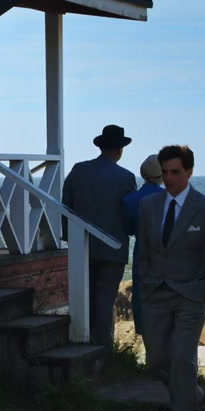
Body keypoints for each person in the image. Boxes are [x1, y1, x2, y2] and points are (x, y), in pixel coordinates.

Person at [134, 145, 205, 411]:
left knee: (183, 358)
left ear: (189, 172)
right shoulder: (148, 206)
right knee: (156, 361)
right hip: (155, 293)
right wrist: (145, 283)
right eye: (165, 172)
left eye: (175, 172)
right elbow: (143, 251)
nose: (169, 178)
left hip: (191, 295)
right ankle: (192, 395)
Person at [62, 124, 136, 347]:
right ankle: (101, 348)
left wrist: (68, 236)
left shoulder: (78, 170)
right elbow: (130, 215)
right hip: (113, 249)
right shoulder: (126, 177)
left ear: (101, 147)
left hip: (82, 247)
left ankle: (80, 341)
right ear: (120, 150)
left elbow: (66, 206)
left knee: (84, 298)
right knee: (104, 301)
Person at [121, 154, 165, 329]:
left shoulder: (130, 201)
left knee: (144, 305)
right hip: (169, 257)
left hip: (142, 255)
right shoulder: (171, 199)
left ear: (142, 173)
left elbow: (128, 229)